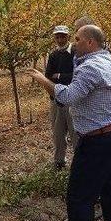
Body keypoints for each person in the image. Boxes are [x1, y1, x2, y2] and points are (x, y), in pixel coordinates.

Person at [27, 25, 111, 221]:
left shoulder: (91, 68)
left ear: (90, 43)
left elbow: (67, 96)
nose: (73, 43)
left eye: (77, 39)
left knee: (79, 196)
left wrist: (42, 79)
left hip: (96, 140)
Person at [45, 25, 77, 169]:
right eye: (57, 37)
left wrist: (60, 76)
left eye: (62, 36)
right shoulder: (53, 55)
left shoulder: (75, 52)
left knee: (75, 132)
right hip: (57, 99)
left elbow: (78, 75)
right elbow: (48, 76)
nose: (60, 39)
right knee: (58, 133)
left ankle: (79, 161)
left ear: (68, 36)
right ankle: (59, 161)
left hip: (73, 99)